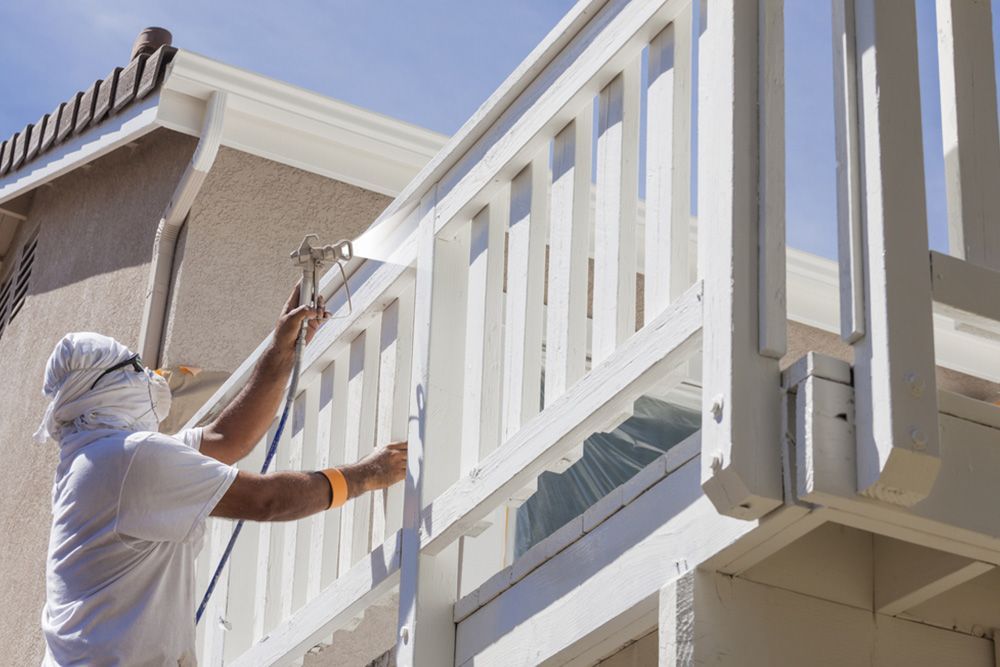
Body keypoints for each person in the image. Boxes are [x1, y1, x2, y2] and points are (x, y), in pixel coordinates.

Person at [36, 284, 407, 666]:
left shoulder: (99, 457)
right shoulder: (125, 460)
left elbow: (226, 438)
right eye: (133, 368)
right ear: (104, 387)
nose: (146, 376)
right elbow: (268, 500)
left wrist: (281, 351)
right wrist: (366, 475)